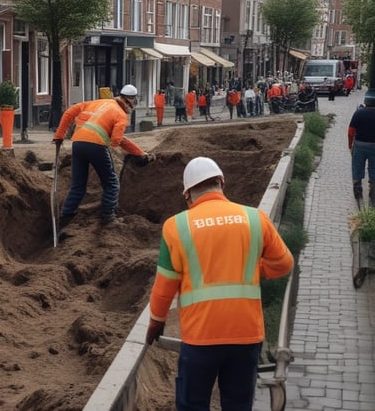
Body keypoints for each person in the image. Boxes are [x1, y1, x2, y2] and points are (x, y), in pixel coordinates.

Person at [145, 156, 294, 411]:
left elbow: (164, 287)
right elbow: (284, 263)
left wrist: (156, 322)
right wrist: (256, 269)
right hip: (246, 334)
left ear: (187, 195)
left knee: (192, 405)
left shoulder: (176, 227)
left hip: (201, 336)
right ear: (221, 183)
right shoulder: (255, 218)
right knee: (238, 404)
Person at [53, 84, 155, 226]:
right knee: (112, 184)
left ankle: (66, 218)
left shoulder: (99, 102)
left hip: (78, 143)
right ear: (130, 100)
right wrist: (131, 152)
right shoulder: (121, 115)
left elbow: (69, 112)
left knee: (77, 186)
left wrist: (59, 136)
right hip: (96, 146)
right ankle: (108, 217)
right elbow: (117, 141)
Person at [348, 90, 375, 206]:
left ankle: (358, 193)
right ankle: (373, 194)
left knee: (357, 167)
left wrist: (350, 145)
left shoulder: (358, 113)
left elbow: (351, 131)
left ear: (365, 101)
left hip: (359, 145)